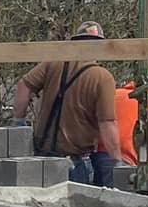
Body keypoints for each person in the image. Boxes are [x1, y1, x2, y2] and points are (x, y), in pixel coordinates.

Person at [13, 22, 124, 188]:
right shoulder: (102, 77)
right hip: (74, 163)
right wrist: (117, 162)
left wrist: (18, 122)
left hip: (42, 159)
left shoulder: (53, 63)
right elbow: (107, 124)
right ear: (100, 46)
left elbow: (24, 86)